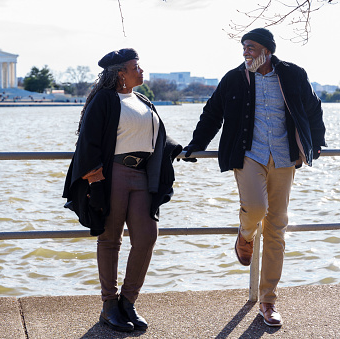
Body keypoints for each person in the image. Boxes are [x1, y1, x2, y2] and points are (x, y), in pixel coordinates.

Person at [182, 28, 326, 327]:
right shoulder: (234, 78)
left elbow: (313, 109)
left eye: (252, 47)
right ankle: (245, 236)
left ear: (268, 51)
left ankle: (269, 301)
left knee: (277, 227)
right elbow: (212, 113)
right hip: (249, 155)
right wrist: (197, 144)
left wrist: (317, 142)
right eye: (244, 47)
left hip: (285, 157)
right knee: (256, 209)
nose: (246, 52)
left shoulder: (293, 74)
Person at [63, 48, 182, 332]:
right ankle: (108, 306)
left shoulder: (142, 99)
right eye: (136, 67)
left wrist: (179, 148)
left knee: (147, 236)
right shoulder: (104, 99)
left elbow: (154, 135)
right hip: (112, 174)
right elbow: (89, 141)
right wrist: (96, 182)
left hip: (142, 175)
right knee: (110, 239)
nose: (142, 71)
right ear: (120, 73)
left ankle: (127, 302)